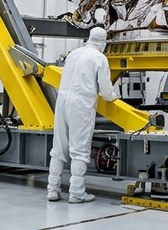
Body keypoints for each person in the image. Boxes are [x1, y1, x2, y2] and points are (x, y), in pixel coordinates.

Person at [48, 27, 118, 203]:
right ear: (103, 42)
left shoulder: (73, 53)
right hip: (81, 104)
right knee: (79, 149)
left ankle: (53, 190)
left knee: (58, 148)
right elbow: (105, 89)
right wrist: (112, 96)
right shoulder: (99, 58)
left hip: (62, 101)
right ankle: (77, 193)